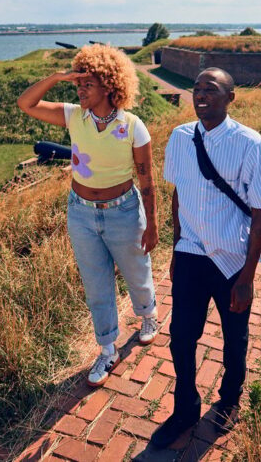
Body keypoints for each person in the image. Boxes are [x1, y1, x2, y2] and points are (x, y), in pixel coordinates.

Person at [152, 67, 261, 447]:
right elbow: (178, 195)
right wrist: (176, 246)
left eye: (211, 89)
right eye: (196, 89)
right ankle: (185, 409)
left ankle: (229, 401)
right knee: (180, 337)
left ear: (230, 97)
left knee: (234, 338)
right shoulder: (179, 138)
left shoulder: (249, 143)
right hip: (190, 255)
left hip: (230, 261)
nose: (201, 95)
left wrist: (248, 277)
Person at [16, 44, 159, 387]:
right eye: (77, 84)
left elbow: (147, 180)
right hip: (81, 213)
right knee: (96, 283)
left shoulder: (132, 126)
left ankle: (147, 315)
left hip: (123, 211)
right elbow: (27, 104)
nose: (79, 90)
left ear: (109, 86)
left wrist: (152, 224)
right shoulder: (73, 116)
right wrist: (57, 77)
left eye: (87, 85)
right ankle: (107, 348)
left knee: (136, 272)